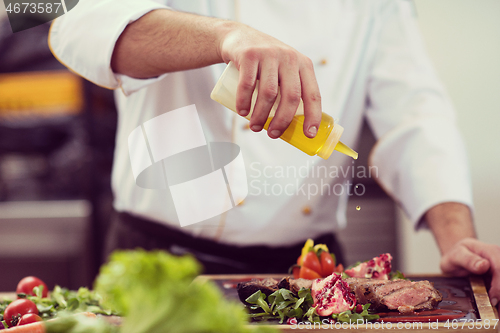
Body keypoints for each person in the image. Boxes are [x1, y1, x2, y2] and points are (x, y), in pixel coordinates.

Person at [49, 0, 499, 308]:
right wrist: (227, 37)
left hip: (307, 269)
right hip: (158, 258)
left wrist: (457, 239)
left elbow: (414, 117)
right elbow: (71, 23)